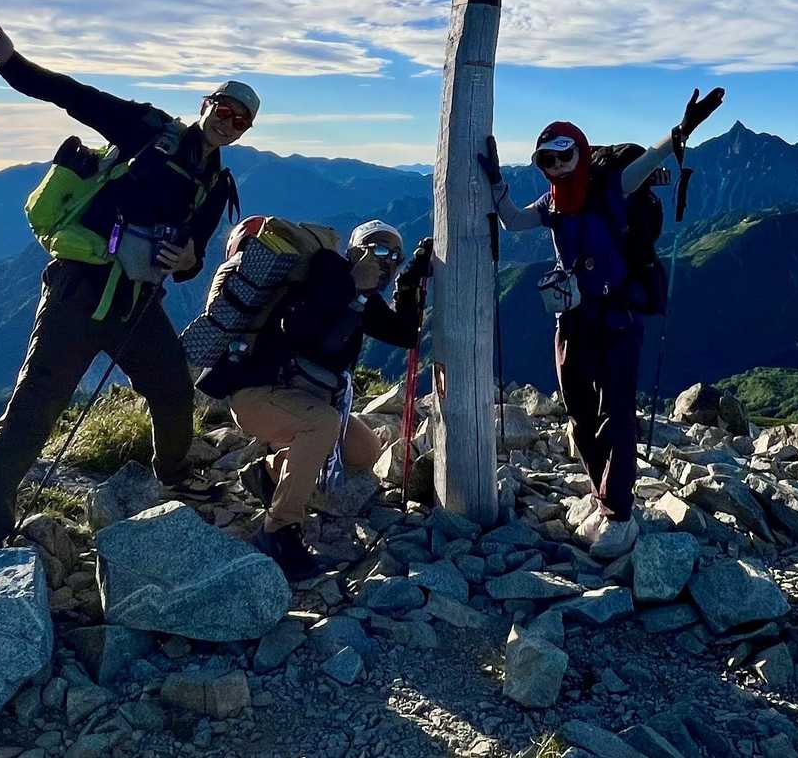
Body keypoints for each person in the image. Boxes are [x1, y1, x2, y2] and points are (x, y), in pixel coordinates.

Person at [0, 18, 256, 549]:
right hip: (77, 291)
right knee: (33, 411)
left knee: (172, 388)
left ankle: (173, 473)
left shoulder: (215, 184)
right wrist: (9, 61)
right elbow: (74, 96)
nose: (229, 124)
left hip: (136, 304)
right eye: (224, 110)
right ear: (205, 103)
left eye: (241, 121)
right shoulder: (147, 128)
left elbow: (193, 256)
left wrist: (187, 260)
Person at [479, 87, 725, 558]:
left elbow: (652, 155)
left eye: (563, 155)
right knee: (579, 414)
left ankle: (619, 515)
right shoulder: (552, 203)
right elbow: (512, 221)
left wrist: (682, 130)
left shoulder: (611, 187)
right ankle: (602, 495)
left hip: (616, 318)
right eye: (546, 160)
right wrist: (496, 183)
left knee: (616, 414)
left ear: (581, 151)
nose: (556, 166)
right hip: (573, 319)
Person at [198, 218, 432, 580]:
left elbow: (404, 335)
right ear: (355, 250)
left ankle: (269, 473)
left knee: (365, 452)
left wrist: (410, 280)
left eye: (395, 257)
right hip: (258, 394)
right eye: (379, 249)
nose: (387, 262)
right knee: (322, 425)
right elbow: (295, 327)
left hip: (302, 399)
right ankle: (278, 531)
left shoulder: (363, 298)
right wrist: (351, 286)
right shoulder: (326, 273)